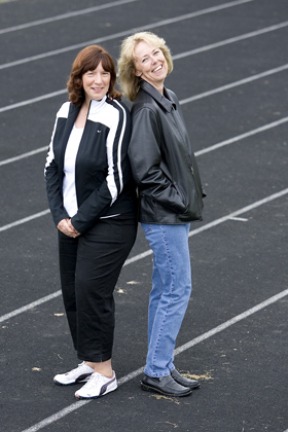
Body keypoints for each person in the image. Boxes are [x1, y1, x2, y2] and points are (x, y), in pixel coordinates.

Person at [44, 44, 137, 400]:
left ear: (112, 78)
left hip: (110, 221)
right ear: (79, 77)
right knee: (71, 292)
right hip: (70, 221)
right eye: (90, 73)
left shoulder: (116, 114)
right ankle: (88, 360)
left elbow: (116, 179)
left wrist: (80, 220)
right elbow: (51, 166)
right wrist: (60, 217)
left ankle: (106, 372)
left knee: (91, 290)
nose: (98, 80)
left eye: (104, 73)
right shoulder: (66, 110)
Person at [118, 32, 205, 397]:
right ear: (136, 72)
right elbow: (145, 169)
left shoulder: (168, 97)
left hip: (174, 211)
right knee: (177, 289)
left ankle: (162, 364)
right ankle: (155, 371)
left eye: (157, 53)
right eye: (145, 59)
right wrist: (179, 200)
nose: (155, 61)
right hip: (164, 215)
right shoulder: (147, 108)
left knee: (164, 290)